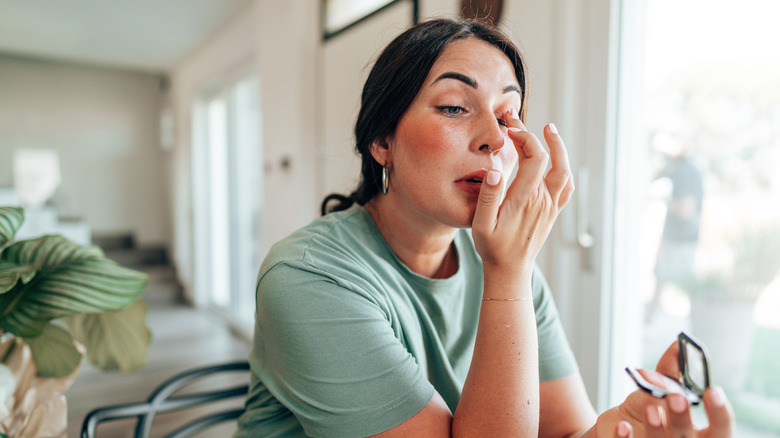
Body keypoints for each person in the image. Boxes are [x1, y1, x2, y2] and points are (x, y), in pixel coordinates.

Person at [235, 18, 733, 437]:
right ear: (382, 140)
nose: (496, 138)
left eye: (509, 113)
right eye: (454, 107)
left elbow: (563, 431)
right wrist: (510, 273)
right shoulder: (306, 278)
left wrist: (621, 424)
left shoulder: (502, 263)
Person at [647, 131, 704, 322]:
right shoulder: (675, 167)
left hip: (681, 239)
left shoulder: (686, 171)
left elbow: (686, 209)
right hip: (675, 237)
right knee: (661, 280)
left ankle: (695, 324)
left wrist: (663, 199)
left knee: (685, 285)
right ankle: (649, 320)